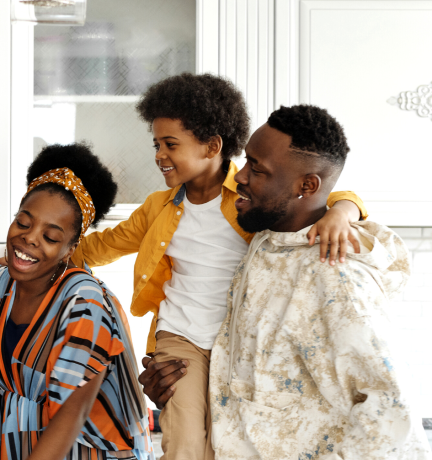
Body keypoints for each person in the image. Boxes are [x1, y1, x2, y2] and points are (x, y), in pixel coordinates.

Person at [66, 74, 366, 460]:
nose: (158, 154)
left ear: (212, 146)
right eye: (156, 144)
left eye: (170, 144)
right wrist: (42, 251)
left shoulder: (251, 197)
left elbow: (319, 191)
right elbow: (100, 247)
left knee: (224, 445)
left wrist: (344, 210)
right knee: (185, 444)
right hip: (180, 340)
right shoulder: (158, 207)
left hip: (238, 343)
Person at [206, 105, 431, 458]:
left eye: (257, 169)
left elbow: (392, 416)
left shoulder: (335, 273)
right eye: (246, 161)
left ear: (307, 185)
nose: (240, 177)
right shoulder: (269, 242)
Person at [0, 143, 153, 460]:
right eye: (23, 222)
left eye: (51, 237)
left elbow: (70, 417)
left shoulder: (85, 302)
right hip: (18, 446)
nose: (30, 238)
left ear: (71, 247)